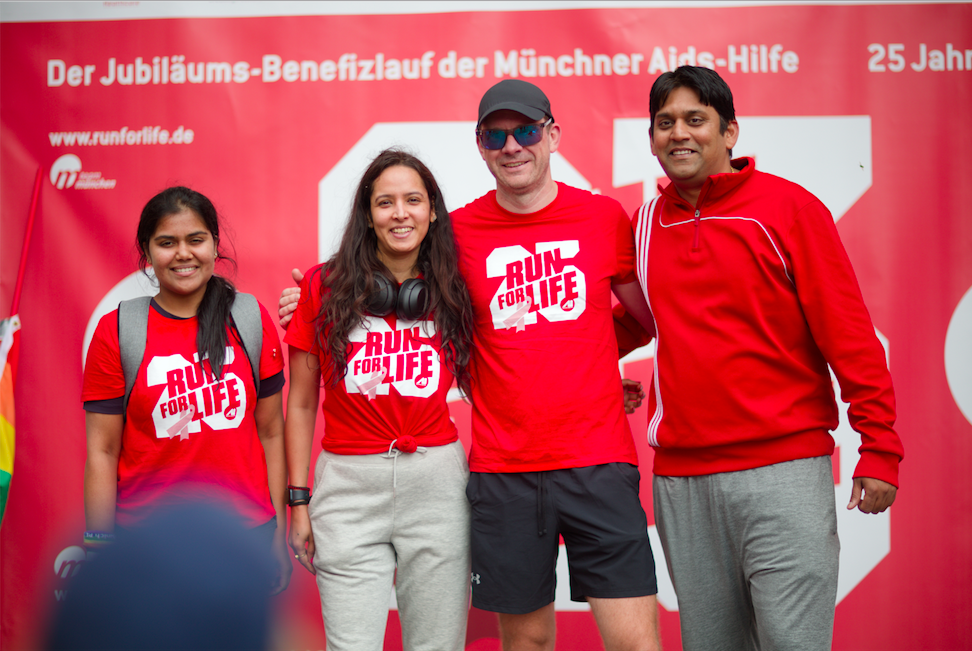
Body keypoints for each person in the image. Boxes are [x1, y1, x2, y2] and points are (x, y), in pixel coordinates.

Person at [282, 80, 661, 651]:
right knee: (526, 642)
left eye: (526, 131)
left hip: (597, 462)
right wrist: (308, 297)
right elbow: (384, 273)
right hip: (503, 471)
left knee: (635, 643)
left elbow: (646, 316)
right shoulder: (455, 236)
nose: (512, 146)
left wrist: (586, 363)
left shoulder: (603, 217)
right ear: (480, 145)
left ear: (553, 135)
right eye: (495, 136)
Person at [632, 66, 903, 651]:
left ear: (729, 132)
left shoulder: (788, 209)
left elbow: (850, 337)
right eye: (665, 122)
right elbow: (634, 319)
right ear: (651, 137)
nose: (679, 133)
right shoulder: (647, 223)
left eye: (696, 119)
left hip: (784, 473)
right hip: (681, 481)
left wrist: (880, 446)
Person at [284, 149, 474, 651]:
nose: (400, 213)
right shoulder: (322, 287)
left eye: (413, 200)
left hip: (436, 485)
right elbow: (300, 404)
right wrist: (298, 500)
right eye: (385, 202)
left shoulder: (457, 286)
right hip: (347, 487)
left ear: (433, 211)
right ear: (368, 216)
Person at [81, 186, 291, 594]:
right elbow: (102, 452)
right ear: (146, 250)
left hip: (244, 538)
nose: (183, 254)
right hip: (147, 543)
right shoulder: (118, 331)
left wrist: (278, 536)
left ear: (214, 244)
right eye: (167, 243)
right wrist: (100, 554)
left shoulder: (249, 318)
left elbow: (271, 433)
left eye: (196, 240)